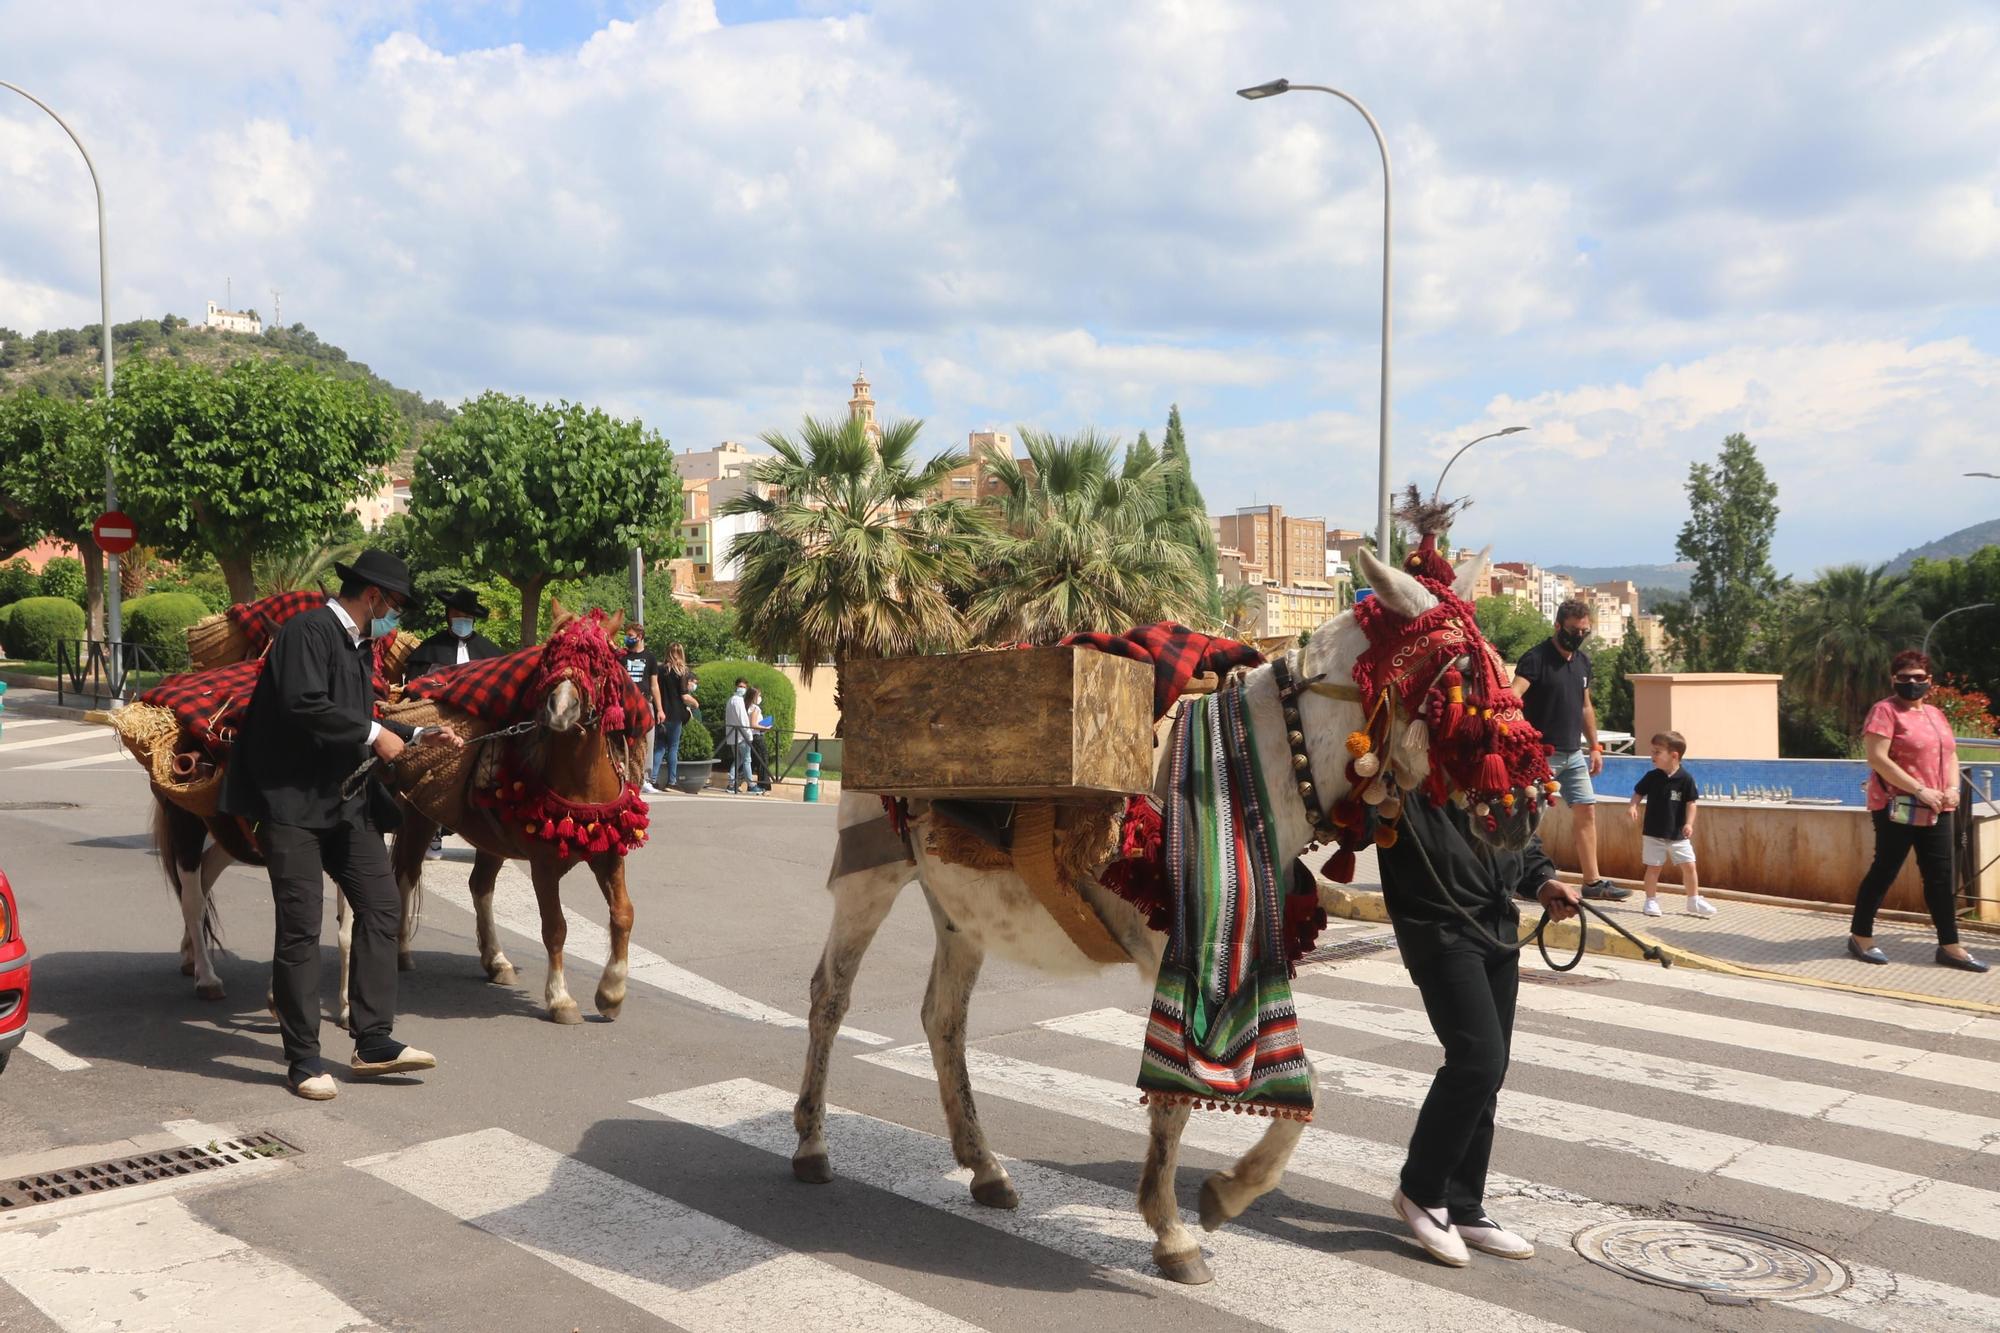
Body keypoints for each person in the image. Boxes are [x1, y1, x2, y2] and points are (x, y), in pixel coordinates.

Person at [219, 549, 461, 1101]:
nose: (395, 620)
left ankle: (373, 1040)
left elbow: (360, 715)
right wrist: (376, 737)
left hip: (346, 804)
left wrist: (418, 735)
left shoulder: (358, 646)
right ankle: (303, 1059)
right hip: (291, 807)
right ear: (373, 595)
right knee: (302, 929)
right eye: (395, 606)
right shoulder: (307, 632)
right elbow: (306, 705)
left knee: (381, 907)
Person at [1375, 792, 1582, 1266]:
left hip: (1495, 927)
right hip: (1440, 929)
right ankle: (1420, 1191)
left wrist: (1544, 880)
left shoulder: (1493, 761)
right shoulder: (1404, 767)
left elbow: (1518, 840)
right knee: (1477, 1060)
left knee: (1492, 1071)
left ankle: (1464, 1203)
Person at [1849, 650, 1985, 972]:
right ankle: (1860, 935)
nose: (1912, 683)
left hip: (1938, 807)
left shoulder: (1936, 715)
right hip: (1899, 805)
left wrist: (1953, 789)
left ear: (1930, 681)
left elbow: (1950, 755)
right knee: (1885, 869)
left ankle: (1950, 946)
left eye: (1918, 678)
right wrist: (1919, 789)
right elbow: (1878, 759)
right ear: (1894, 680)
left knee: (1941, 876)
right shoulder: (1885, 711)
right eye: (1905, 678)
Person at [1512, 600, 1626, 901]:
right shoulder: (1535, 659)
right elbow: (1513, 697)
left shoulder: (1583, 662)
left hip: (1574, 754)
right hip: (1540, 756)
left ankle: (1592, 881)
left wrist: (1596, 747)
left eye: (1584, 630)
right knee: (1528, 819)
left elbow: (1586, 705)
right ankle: (1519, 878)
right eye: (1574, 630)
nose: (1578, 635)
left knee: (1586, 810)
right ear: (1558, 626)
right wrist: (1523, 741)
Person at [402, 587, 505, 858]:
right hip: (441, 719)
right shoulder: (429, 649)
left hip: (479, 724)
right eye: (457, 614)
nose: (461, 619)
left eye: (467, 616)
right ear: (448, 615)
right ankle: (430, 830)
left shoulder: (490, 651)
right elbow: (415, 687)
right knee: (433, 771)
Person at [1628, 731, 1712, 918]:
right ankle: (1650, 900)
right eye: (1652, 752)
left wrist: (1689, 824)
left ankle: (1693, 900)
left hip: (1678, 834)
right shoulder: (1652, 777)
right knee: (1653, 867)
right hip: (1653, 833)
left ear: (1674, 755)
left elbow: (1691, 803)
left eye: (1657, 752)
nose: (1653, 757)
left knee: (1689, 865)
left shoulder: (1685, 779)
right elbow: (1638, 792)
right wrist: (1633, 805)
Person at [620, 624, 667, 794]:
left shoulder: (650, 657)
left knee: (648, 739)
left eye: (631, 635)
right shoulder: (622, 656)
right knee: (625, 739)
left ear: (640, 636)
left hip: (645, 702)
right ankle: (624, 775)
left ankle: (645, 779)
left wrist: (659, 709)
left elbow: (654, 685)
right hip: (626, 703)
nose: (627, 638)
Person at [650, 643, 699, 791]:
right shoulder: (682, 671)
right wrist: (695, 703)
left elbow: (654, 689)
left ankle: (652, 778)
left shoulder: (659, 670)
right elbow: (684, 695)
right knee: (673, 748)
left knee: (659, 747)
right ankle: (671, 781)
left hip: (661, 712)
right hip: (676, 714)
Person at [723, 676, 754, 794]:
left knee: (738, 760)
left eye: (744, 687)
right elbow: (743, 720)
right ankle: (751, 785)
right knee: (747, 760)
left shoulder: (731, 700)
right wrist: (749, 735)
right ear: (736, 687)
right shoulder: (738, 701)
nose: (742, 689)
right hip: (741, 736)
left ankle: (731, 784)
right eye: (740, 686)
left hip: (733, 735)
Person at [745, 684, 775, 794]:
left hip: (750, 737)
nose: (760, 698)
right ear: (754, 696)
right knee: (763, 761)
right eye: (759, 695)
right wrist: (766, 727)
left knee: (751, 761)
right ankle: (764, 786)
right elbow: (753, 724)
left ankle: (744, 784)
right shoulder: (755, 708)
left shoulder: (746, 707)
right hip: (757, 737)